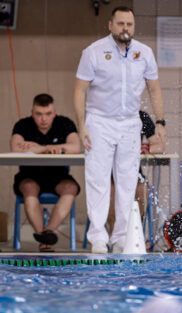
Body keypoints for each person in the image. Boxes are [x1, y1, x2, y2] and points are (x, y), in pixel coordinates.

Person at [74, 6, 166, 253]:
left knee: (127, 181)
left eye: (130, 24)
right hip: (99, 121)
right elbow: (80, 90)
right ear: (110, 25)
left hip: (129, 123)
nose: (126, 28)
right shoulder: (93, 52)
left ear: (134, 27)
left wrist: (160, 122)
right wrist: (81, 125)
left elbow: (154, 89)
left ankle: (121, 237)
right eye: (121, 23)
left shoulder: (144, 53)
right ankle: (98, 237)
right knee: (98, 180)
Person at [10, 93, 80, 252]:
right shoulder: (23, 125)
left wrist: (37, 148)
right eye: (39, 114)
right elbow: (15, 148)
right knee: (28, 187)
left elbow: (76, 147)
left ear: (54, 113)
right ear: (32, 113)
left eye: (48, 114)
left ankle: (48, 232)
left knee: (71, 188)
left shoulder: (65, 123)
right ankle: (44, 237)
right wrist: (49, 148)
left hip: (58, 176)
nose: (43, 119)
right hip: (29, 175)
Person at [106, 110, 165, 238]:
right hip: (107, 172)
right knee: (110, 190)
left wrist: (145, 148)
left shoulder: (141, 116)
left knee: (142, 189)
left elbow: (159, 146)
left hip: (133, 172)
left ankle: (132, 230)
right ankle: (114, 231)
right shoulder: (106, 114)